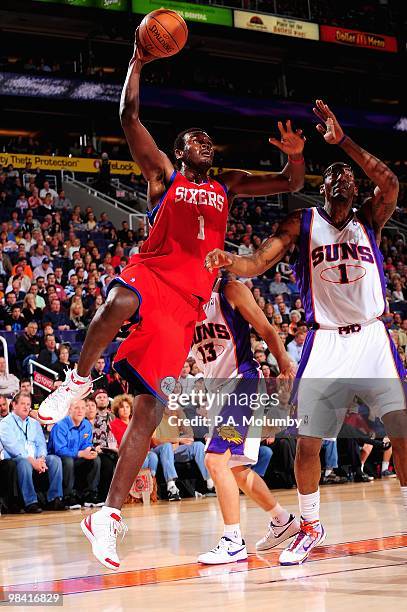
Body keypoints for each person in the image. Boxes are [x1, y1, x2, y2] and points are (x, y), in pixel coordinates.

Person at [41, 30, 305, 570]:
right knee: (118, 299)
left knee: (150, 409)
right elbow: (129, 120)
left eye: (209, 138)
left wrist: (298, 159)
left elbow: (286, 182)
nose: (204, 140)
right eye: (193, 138)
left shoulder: (228, 183)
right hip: (154, 275)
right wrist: (137, 60)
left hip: (186, 304)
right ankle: (77, 380)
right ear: (180, 151)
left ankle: (106, 516)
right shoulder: (165, 175)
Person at [205, 99, 404, 565]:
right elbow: (257, 261)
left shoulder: (370, 220)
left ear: (357, 190)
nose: (345, 181)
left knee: (401, 430)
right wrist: (229, 260)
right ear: (323, 188)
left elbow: (390, 182)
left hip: (373, 337)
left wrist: (343, 142)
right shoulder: (302, 223)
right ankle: (310, 525)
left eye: (351, 178)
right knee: (308, 440)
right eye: (335, 176)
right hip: (327, 338)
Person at [190, 277, 298, 564]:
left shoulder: (229, 289)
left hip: (242, 384)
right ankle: (283, 520)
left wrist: (284, 361)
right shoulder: (185, 302)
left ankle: (232, 540)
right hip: (216, 392)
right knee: (236, 469)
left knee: (214, 460)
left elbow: (266, 329)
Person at [0, 392, 65, 512]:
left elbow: (41, 444)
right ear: (14, 405)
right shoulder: (5, 424)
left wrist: (41, 459)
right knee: (24, 462)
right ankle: (30, 502)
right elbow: (14, 448)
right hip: (16, 459)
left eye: (28, 404)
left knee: (55, 460)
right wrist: (32, 461)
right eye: (23, 404)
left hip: (36, 459)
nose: (26, 407)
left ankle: (54, 499)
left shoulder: (35, 423)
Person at [47, 399, 101, 509]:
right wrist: (80, 453)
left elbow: (87, 444)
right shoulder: (60, 425)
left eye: (82, 408)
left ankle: (90, 494)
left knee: (96, 459)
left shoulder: (86, 425)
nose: (80, 411)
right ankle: (68, 495)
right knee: (68, 460)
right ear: (70, 409)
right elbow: (60, 450)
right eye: (76, 408)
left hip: (77, 457)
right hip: (58, 460)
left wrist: (90, 451)